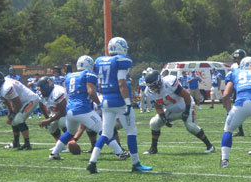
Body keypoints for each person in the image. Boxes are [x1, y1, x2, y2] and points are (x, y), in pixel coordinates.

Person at [87, 37, 152, 173]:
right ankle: (135, 163)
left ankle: (92, 162)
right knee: (131, 132)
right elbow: (121, 83)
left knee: (105, 134)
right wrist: (128, 103)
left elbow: (100, 85)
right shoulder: (120, 61)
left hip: (106, 101)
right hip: (120, 101)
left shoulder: (100, 61)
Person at [142, 70, 215, 155]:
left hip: (186, 106)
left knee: (191, 127)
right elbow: (157, 105)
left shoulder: (169, 83)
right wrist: (162, 117)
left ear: (159, 81)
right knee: (154, 123)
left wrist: (187, 111)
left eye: (154, 85)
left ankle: (210, 146)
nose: (152, 88)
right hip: (171, 110)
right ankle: (153, 148)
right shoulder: (149, 91)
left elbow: (186, 95)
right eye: (150, 86)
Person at [0, 70, 39, 150]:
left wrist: (12, 115)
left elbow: (18, 104)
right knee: (14, 120)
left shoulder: (6, 87)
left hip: (30, 100)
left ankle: (27, 144)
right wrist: (10, 112)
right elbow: (7, 100)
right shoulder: (3, 84)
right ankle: (16, 142)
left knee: (18, 119)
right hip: (23, 101)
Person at [36, 76, 67, 143]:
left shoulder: (57, 92)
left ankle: (71, 143)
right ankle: (59, 144)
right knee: (50, 126)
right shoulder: (41, 94)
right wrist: (47, 118)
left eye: (42, 89)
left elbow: (63, 112)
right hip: (56, 112)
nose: (41, 91)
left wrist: (48, 120)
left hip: (68, 112)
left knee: (62, 122)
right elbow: (41, 105)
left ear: (48, 86)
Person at [231, 48, 247, 137]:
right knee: (237, 111)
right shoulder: (233, 67)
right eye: (236, 58)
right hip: (238, 91)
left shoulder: (249, 64)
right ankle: (240, 131)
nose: (237, 60)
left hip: (247, 90)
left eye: (239, 58)